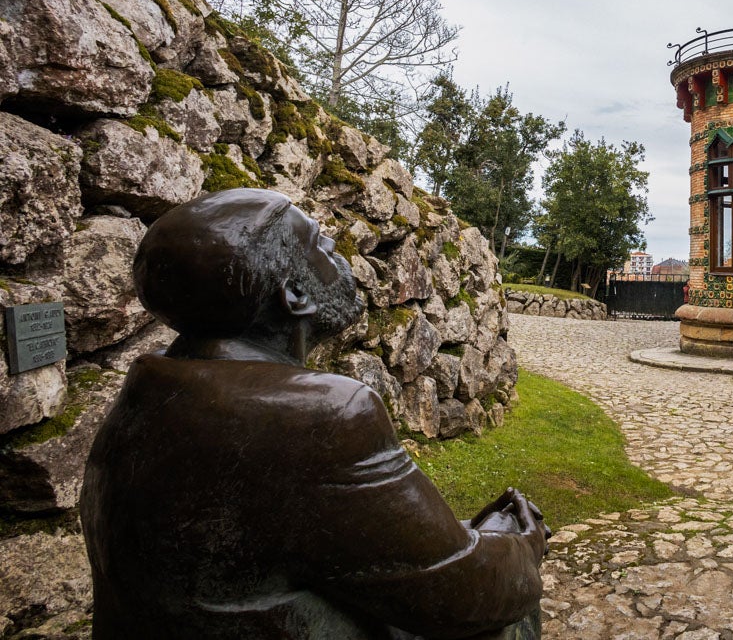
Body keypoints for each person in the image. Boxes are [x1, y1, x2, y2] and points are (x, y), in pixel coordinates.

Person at [80, 188, 546, 639]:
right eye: (322, 246)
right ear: (296, 295)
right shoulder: (325, 412)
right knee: (504, 622)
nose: (342, 259)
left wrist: (465, 535)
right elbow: (460, 592)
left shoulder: (150, 384)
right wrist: (521, 542)